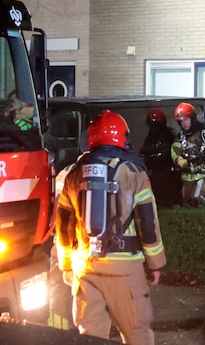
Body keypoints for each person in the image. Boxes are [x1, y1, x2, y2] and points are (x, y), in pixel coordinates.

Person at [55, 110, 166, 345]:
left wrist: (66, 265)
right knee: (137, 335)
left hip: (85, 268)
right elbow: (147, 221)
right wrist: (155, 264)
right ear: (121, 137)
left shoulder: (73, 173)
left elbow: (63, 225)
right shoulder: (134, 172)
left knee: (90, 336)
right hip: (125, 270)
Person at [169, 102, 205, 207]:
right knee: (184, 206)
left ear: (192, 118)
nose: (184, 123)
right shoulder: (180, 138)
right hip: (186, 178)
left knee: (195, 203)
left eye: (186, 119)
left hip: (203, 175)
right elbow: (174, 152)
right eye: (181, 121)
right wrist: (179, 160)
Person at [139, 108, 180, 208]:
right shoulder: (151, 136)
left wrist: (148, 157)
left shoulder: (167, 135)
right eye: (151, 124)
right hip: (154, 173)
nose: (153, 127)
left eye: (155, 124)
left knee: (164, 201)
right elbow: (144, 150)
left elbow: (164, 153)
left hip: (166, 174)